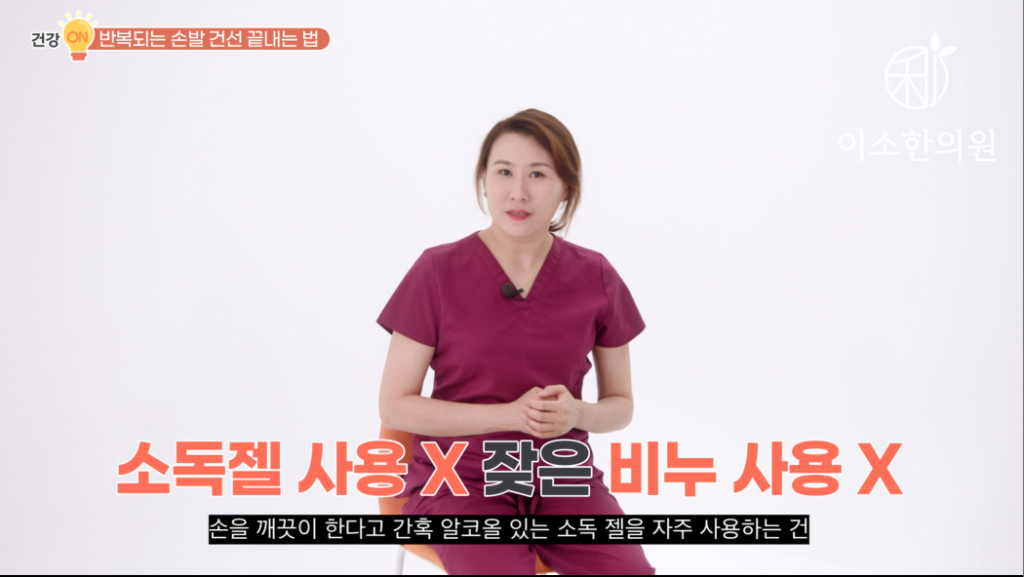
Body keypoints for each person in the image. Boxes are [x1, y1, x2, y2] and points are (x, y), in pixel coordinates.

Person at [377, 109, 655, 575]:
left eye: (538, 175)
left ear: (566, 188)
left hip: (562, 479)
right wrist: (508, 416)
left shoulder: (597, 276)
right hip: (460, 481)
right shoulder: (437, 271)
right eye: (504, 172)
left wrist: (577, 414)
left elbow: (620, 406)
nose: (518, 192)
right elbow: (394, 407)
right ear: (484, 180)